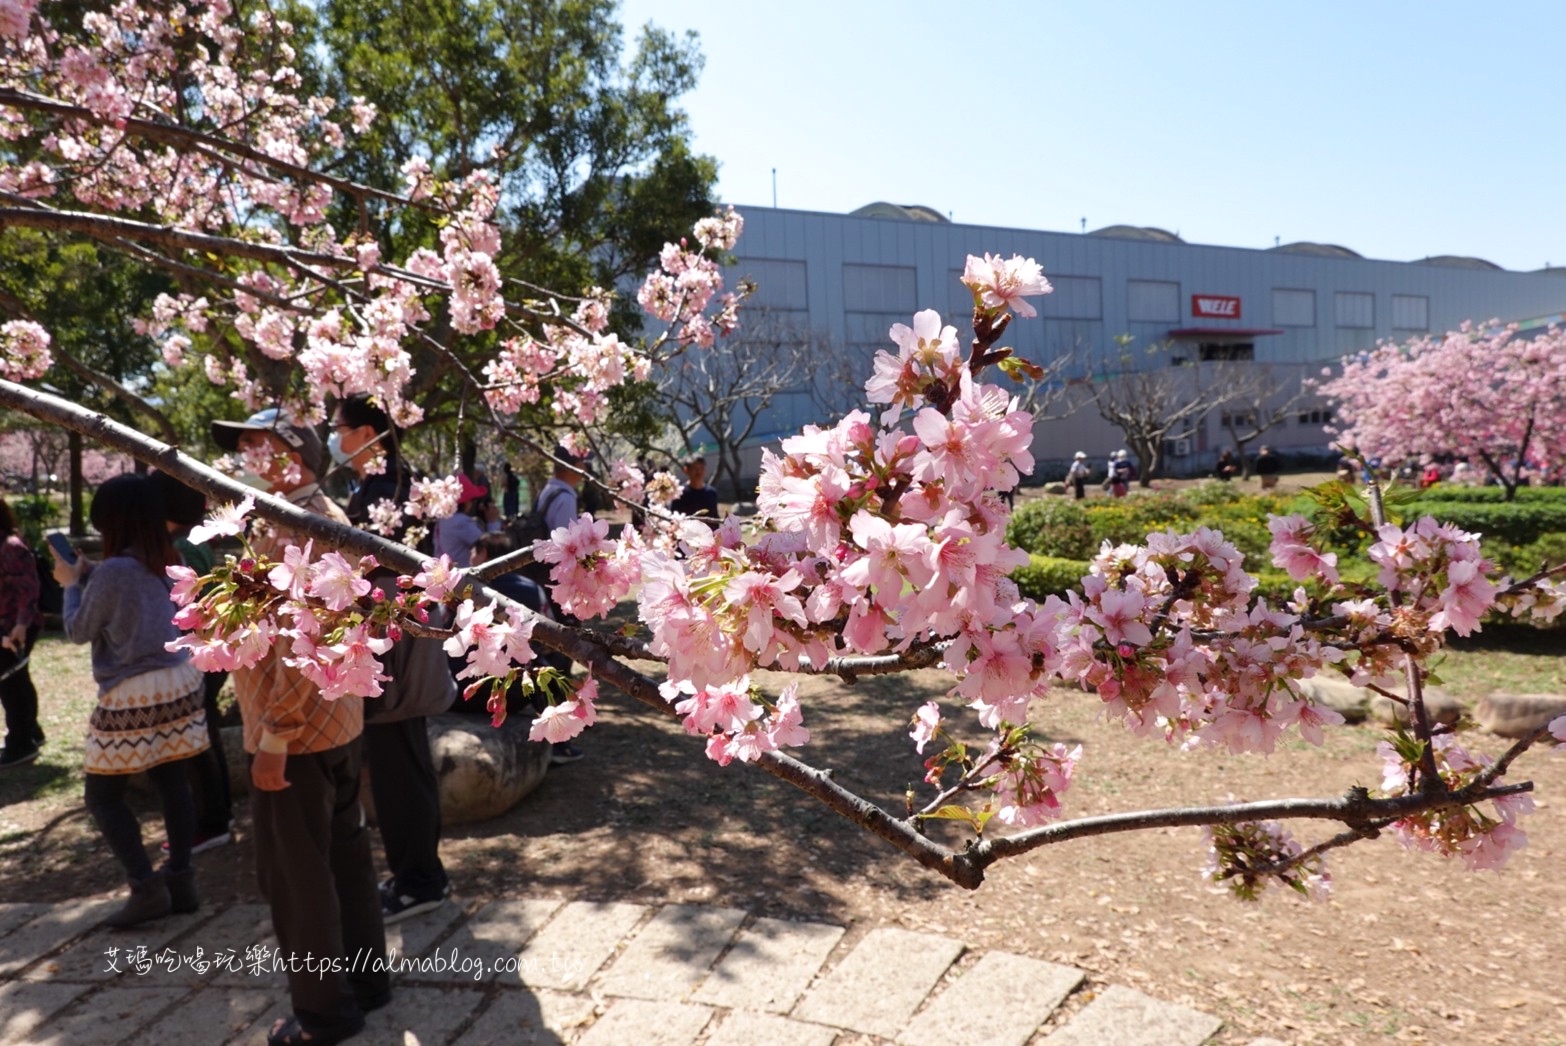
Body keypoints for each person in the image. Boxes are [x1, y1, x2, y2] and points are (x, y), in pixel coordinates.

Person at [210, 407, 389, 1045]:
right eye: (245, 448)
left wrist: (274, 741)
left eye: (259, 446)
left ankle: (324, 1012)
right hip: (335, 725)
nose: (248, 459)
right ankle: (366, 983)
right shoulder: (310, 520)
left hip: (296, 735)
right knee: (343, 858)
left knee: (296, 875)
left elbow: (297, 648)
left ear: (295, 453)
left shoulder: (299, 530)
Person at [54, 474, 209, 928]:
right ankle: (181, 881)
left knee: (102, 796)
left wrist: (68, 583)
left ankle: (145, 887)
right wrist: (88, 574)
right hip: (179, 682)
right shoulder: (167, 558)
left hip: (131, 692)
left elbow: (78, 630)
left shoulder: (114, 571)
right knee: (171, 781)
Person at [329, 394, 451, 926]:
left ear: (365, 433)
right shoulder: (392, 486)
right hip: (394, 646)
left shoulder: (385, 492)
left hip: (391, 653)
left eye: (340, 428)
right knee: (404, 765)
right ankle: (415, 874)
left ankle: (420, 880)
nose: (335, 438)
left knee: (401, 770)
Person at [148, 471, 234, 854]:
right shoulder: (195, 537)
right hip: (214, 643)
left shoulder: (178, 543)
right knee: (205, 727)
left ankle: (211, 819)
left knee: (199, 733)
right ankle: (218, 815)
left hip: (202, 647)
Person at [531, 447, 586, 765]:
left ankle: (553, 727)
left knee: (550, 657)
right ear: (575, 464)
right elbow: (570, 547)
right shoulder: (564, 497)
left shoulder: (548, 491)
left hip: (544, 585)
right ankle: (557, 736)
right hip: (559, 590)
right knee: (560, 659)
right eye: (582, 464)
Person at [0, 497, 43, 768]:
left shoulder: (10, 547)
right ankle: (30, 732)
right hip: (5, 624)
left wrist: (21, 625)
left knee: (10, 684)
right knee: (16, 681)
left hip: (16, 625)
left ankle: (21, 743)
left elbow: (29, 588)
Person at [434, 474, 500, 568]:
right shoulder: (461, 522)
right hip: (465, 575)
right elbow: (491, 546)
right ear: (466, 502)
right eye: (472, 500)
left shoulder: (444, 519)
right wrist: (493, 522)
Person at [669, 454, 720, 519]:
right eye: (695, 468)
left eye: (701, 468)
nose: (699, 472)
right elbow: (672, 518)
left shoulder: (711, 493)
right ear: (686, 470)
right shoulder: (679, 493)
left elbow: (714, 518)